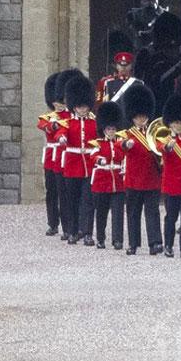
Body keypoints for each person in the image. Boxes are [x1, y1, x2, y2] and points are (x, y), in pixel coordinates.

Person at [120, 83, 162, 256]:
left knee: (152, 213)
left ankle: (155, 242)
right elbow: (119, 145)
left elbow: (159, 146)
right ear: (132, 117)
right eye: (137, 117)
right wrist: (126, 145)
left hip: (151, 179)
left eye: (143, 117)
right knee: (133, 214)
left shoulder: (154, 132)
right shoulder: (127, 134)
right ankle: (133, 244)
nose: (141, 120)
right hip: (134, 179)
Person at [58, 73, 98, 246]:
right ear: (74, 106)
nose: (82, 109)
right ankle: (73, 231)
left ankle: (88, 232)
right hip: (73, 165)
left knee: (88, 202)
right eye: (79, 106)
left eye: (85, 106)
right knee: (72, 201)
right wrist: (61, 138)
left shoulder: (94, 123)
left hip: (89, 166)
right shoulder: (68, 123)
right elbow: (61, 132)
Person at [157, 94, 181, 258]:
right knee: (171, 218)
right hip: (171, 185)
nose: (178, 126)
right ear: (170, 123)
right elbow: (161, 148)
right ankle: (168, 245)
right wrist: (169, 146)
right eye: (175, 123)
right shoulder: (164, 138)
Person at [88, 101, 128, 251]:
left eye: (113, 128)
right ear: (103, 129)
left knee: (118, 213)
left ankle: (118, 240)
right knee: (102, 212)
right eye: (108, 128)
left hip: (117, 181)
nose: (111, 131)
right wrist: (99, 159)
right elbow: (93, 155)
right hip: (102, 181)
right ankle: (100, 238)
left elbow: (125, 156)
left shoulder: (120, 143)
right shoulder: (97, 143)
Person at [37, 72, 66, 238]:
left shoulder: (70, 117)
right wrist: (53, 126)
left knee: (65, 192)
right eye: (57, 101)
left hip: (65, 157)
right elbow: (44, 125)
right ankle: (53, 223)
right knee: (51, 191)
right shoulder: (47, 117)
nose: (59, 104)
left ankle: (68, 225)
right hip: (51, 157)